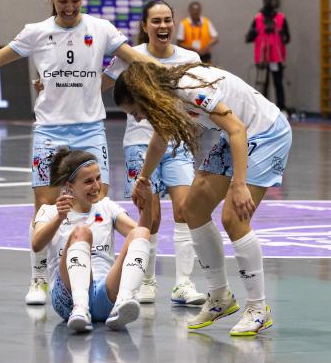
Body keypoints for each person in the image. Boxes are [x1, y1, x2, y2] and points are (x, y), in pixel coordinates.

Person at [0, 0, 156, 306]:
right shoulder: (37, 33)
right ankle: (38, 278)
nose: (70, 7)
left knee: (97, 204)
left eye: (75, 0)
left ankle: (99, 277)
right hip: (51, 129)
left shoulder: (100, 29)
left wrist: (172, 74)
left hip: (90, 128)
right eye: (62, 0)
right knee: (45, 207)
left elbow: (136, 58)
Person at [114, 61, 292, 336]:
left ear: (143, 94)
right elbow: (160, 140)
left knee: (234, 218)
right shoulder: (166, 97)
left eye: (136, 111)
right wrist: (144, 179)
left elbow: (236, 129)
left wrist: (239, 183)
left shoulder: (189, 88)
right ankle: (220, 296)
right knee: (192, 210)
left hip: (266, 133)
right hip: (239, 134)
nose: (137, 118)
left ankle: (259, 309)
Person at [102, 0, 206, 306]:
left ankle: (183, 285)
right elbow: (98, 87)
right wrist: (57, 90)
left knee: (185, 209)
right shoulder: (130, 57)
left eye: (167, 20)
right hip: (139, 142)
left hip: (177, 143)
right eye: (156, 21)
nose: (163, 26)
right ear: (145, 26)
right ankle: (146, 280)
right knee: (152, 214)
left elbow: (200, 95)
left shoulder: (190, 58)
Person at [32, 147, 152, 332]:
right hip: (68, 298)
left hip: (106, 292)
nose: (96, 186)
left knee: (141, 233)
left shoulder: (106, 207)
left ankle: (123, 301)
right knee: (82, 232)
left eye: (98, 178)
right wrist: (58, 218)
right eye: (88, 181)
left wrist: (146, 207)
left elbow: (140, 237)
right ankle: (80, 308)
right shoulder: (50, 211)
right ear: (69, 185)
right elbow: (36, 244)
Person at [246, 0, 290, 111]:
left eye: (271, 0)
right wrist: (253, 33)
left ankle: (281, 108)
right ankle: (261, 108)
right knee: (262, 83)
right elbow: (248, 37)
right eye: (267, 0)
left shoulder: (281, 18)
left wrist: (281, 34)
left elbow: (287, 39)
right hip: (262, 57)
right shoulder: (258, 18)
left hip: (276, 57)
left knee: (278, 83)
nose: (269, 3)